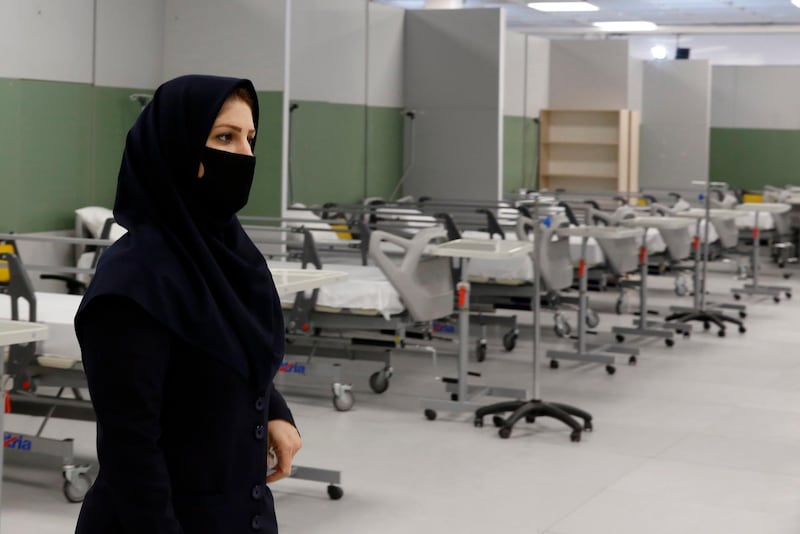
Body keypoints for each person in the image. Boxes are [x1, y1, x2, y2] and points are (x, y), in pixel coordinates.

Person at [74, 74, 302, 534]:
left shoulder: (227, 255)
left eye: (249, 138)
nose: (245, 155)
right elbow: (131, 450)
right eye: (224, 137)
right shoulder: (135, 281)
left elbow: (224, 347)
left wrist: (275, 411)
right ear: (175, 149)